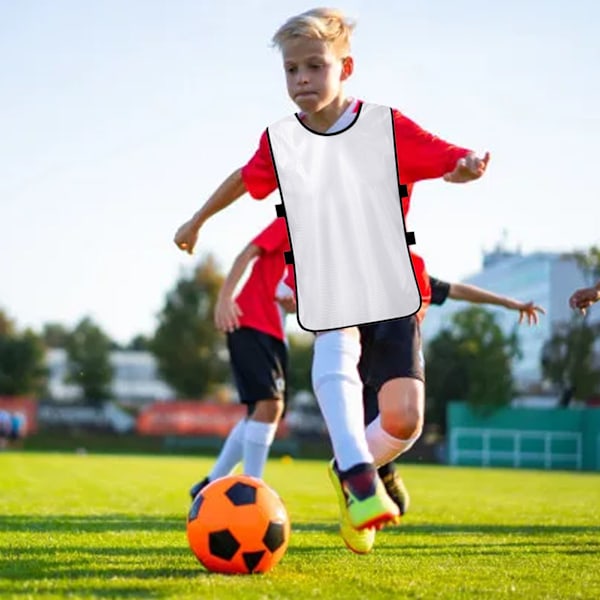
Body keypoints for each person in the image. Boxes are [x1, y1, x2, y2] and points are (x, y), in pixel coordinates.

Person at [174, 7, 490, 533]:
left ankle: (352, 467)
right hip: (326, 277)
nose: (301, 79)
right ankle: (359, 476)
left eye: (314, 67)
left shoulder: (386, 128)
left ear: (346, 66)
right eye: (291, 70)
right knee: (335, 340)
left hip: (391, 283)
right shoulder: (282, 143)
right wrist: (197, 219)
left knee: (404, 419)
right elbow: (244, 178)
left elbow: (446, 159)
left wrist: (466, 166)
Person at [356, 273, 546, 552]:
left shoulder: (411, 271)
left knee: (392, 430)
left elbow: (458, 290)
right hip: (361, 369)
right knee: (360, 440)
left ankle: (381, 475)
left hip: (396, 370)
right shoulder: (361, 274)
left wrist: (509, 303)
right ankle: (364, 496)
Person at [189, 218, 293, 499]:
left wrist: (296, 303)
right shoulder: (294, 220)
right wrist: (224, 298)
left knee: (263, 411)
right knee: (269, 405)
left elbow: (290, 296)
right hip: (249, 321)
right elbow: (247, 253)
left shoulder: (324, 247)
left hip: (275, 332)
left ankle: (209, 484)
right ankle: (251, 490)